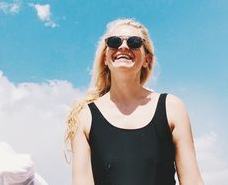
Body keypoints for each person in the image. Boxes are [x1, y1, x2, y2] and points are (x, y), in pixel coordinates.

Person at [65, 18, 204, 185]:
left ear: (147, 60)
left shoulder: (172, 108)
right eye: (114, 42)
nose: (123, 47)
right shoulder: (84, 116)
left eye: (134, 42)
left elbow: (193, 181)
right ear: (105, 58)